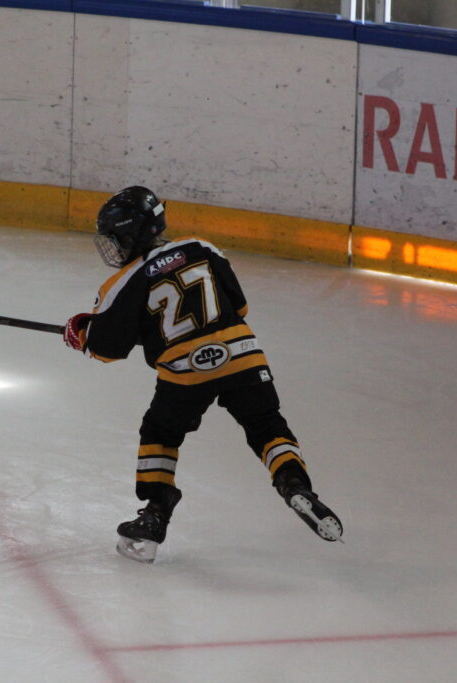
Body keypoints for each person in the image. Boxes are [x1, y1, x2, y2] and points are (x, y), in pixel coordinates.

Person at [63, 186, 343, 563]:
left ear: (132, 235)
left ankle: (155, 514)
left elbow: (107, 349)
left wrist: (81, 335)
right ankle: (294, 484)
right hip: (243, 354)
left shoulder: (126, 280)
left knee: (160, 433)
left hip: (186, 371)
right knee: (266, 425)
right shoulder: (201, 247)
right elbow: (238, 306)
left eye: (117, 238)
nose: (113, 247)